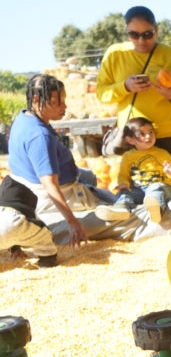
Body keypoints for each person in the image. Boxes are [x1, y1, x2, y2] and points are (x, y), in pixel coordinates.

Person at [96, 6, 171, 197]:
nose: (141, 40)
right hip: (134, 138)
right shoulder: (115, 55)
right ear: (126, 31)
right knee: (136, 194)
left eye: (147, 34)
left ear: (157, 30)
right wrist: (125, 87)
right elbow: (102, 94)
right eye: (134, 35)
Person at [6, 74, 100, 246]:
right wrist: (72, 221)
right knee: (115, 215)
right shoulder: (39, 135)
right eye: (59, 102)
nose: (64, 107)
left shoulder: (23, 118)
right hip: (53, 196)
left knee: (90, 176)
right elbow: (50, 185)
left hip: (43, 187)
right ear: (36, 99)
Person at [95, 117, 171, 223]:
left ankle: (156, 210)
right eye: (142, 134)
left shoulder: (162, 154)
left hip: (160, 188)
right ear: (130, 140)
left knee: (155, 188)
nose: (149, 136)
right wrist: (123, 184)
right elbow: (123, 175)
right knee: (125, 193)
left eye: (151, 132)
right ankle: (121, 209)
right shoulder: (128, 156)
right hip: (139, 190)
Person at [0, 175, 58, 268]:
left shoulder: (6, 193)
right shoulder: (26, 194)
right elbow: (12, 225)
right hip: (12, 223)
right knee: (43, 232)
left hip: (7, 223)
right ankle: (47, 259)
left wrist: (15, 248)